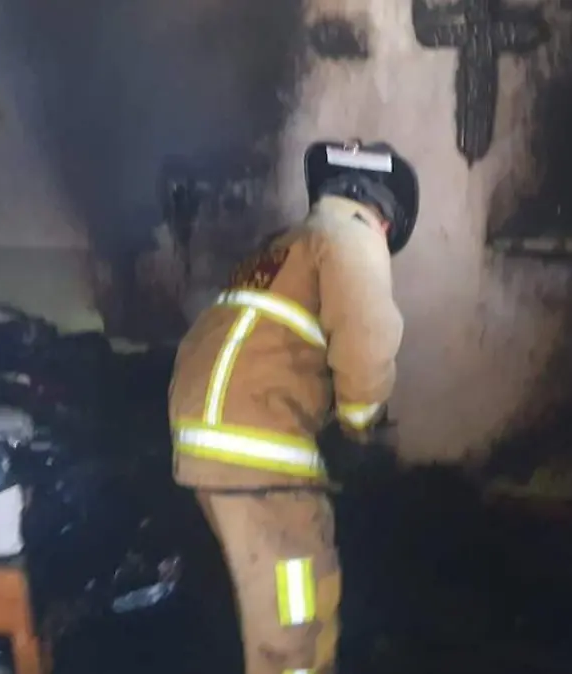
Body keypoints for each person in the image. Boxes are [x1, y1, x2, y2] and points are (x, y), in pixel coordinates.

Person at [168, 139, 418, 674]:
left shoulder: (283, 249)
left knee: (272, 594)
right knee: (295, 610)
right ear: (384, 215)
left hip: (212, 439)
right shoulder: (352, 233)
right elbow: (368, 338)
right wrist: (360, 428)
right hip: (259, 447)